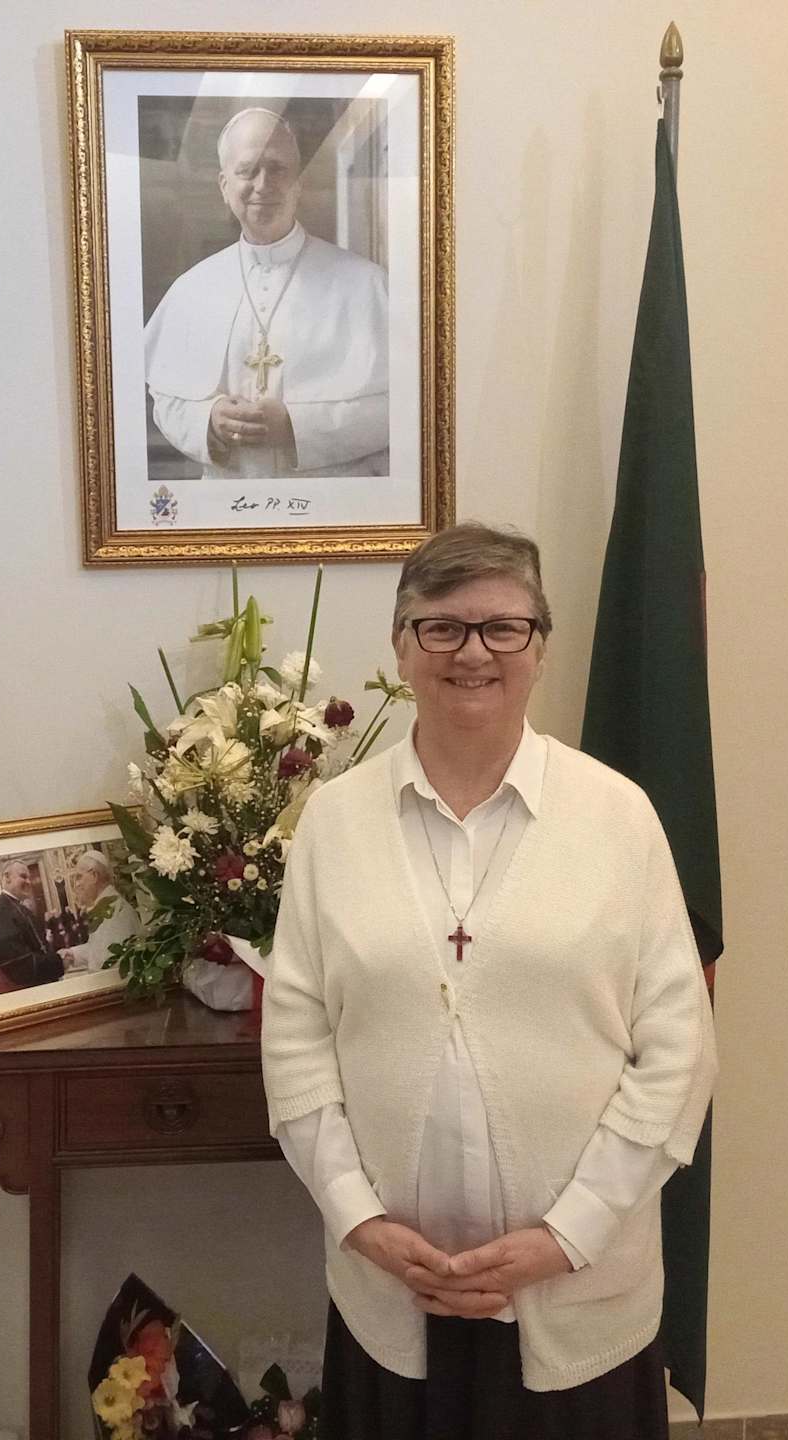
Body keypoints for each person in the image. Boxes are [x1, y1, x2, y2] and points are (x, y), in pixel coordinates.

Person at [260, 522, 718, 1439]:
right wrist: (359, 1220)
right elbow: (297, 1034)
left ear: (539, 647)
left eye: (503, 627)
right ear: (401, 647)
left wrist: (568, 1235)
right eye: (442, 627)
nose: (473, 651)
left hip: (577, 1288)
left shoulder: (618, 818)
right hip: (392, 1293)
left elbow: (677, 1049)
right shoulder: (335, 824)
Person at [143, 106, 390, 481]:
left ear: (298, 184)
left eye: (277, 169)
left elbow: (403, 407)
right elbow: (166, 399)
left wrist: (297, 426)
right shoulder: (192, 289)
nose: (262, 185)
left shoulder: (367, 284)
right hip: (226, 511)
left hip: (333, 508)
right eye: (247, 170)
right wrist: (207, 420)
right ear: (225, 186)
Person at [0, 859, 64, 994]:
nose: (28, 882)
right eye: (23, 876)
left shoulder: (16, 907)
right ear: (7, 877)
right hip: (20, 991)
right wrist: (57, 961)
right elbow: (19, 968)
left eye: (29, 877)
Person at [58, 849, 139, 974]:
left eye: (79, 877)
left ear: (94, 876)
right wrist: (72, 954)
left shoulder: (116, 910)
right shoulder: (105, 906)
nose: (76, 885)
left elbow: (111, 966)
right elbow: (98, 949)